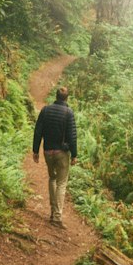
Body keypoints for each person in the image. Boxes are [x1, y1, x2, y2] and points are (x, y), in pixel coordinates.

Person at [32, 84, 77, 227]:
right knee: (61, 183)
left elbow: (38, 131)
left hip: (47, 152)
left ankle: (52, 212)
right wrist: (74, 154)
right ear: (66, 98)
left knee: (52, 178)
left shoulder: (45, 110)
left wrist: (35, 150)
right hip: (61, 153)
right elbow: (72, 136)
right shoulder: (68, 112)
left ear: (56, 96)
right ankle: (57, 217)